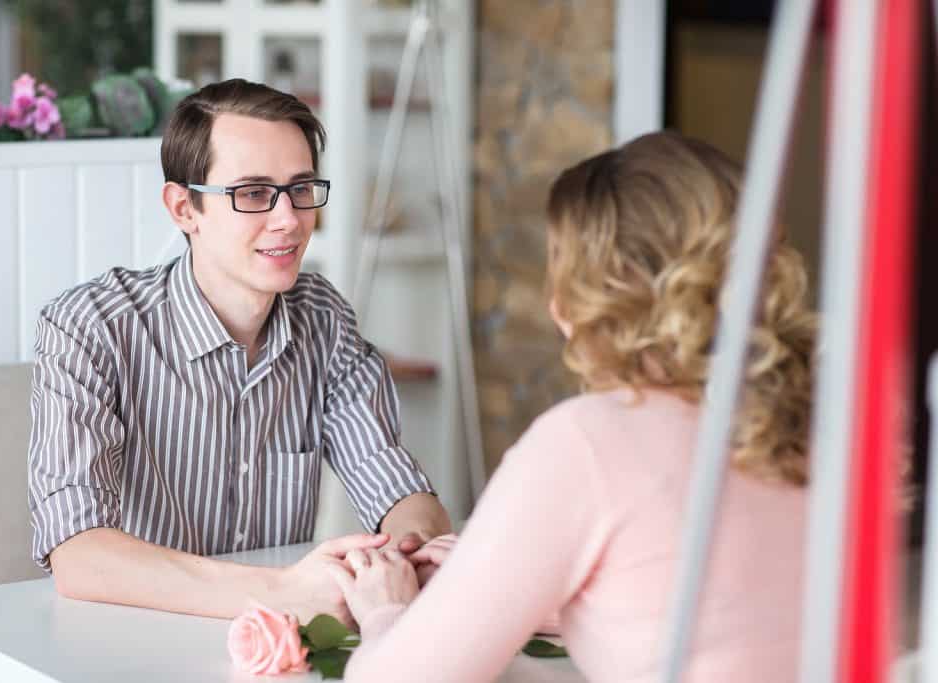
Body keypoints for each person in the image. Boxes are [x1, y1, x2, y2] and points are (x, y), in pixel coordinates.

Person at [327, 131, 815, 682]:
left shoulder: (586, 442)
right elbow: (716, 611)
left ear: (587, 295)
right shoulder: (815, 424)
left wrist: (385, 609)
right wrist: (517, 584)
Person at [27, 79, 451, 625]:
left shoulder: (323, 318)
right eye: (252, 194)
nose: (289, 219)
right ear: (184, 208)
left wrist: (404, 554)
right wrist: (281, 592)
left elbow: (398, 488)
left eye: (300, 189)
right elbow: (79, 556)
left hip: (274, 648)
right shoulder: (90, 327)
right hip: (127, 642)